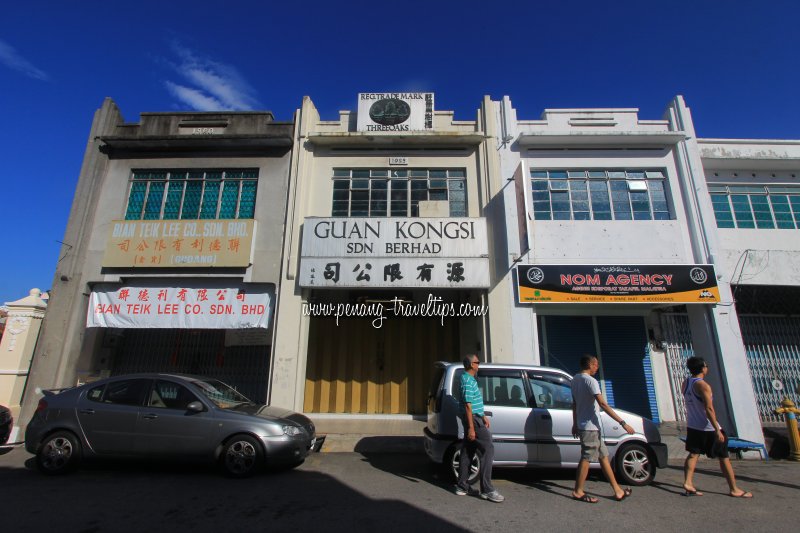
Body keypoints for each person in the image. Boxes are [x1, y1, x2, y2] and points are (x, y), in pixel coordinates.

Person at [682, 356, 753, 498]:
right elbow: (709, 408)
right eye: (706, 365)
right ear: (703, 368)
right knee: (724, 457)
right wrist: (717, 429)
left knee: (693, 454)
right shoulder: (703, 386)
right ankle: (734, 489)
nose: (707, 368)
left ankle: (688, 482)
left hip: (693, 425)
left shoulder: (686, 383)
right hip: (708, 427)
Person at [571, 354, 635, 503]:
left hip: (587, 425)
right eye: (596, 364)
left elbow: (574, 404)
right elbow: (603, 404)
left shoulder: (574, 380)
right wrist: (622, 422)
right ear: (590, 364)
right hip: (590, 428)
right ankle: (578, 491)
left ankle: (617, 490)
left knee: (603, 457)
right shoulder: (591, 381)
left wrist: (574, 423)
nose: (597, 367)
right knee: (587, 457)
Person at [455, 354, 504, 503]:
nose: (479, 364)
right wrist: (471, 427)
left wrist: (483, 415)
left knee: (468, 450)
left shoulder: (469, 379)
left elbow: (474, 402)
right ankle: (487, 489)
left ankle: (462, 486)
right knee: (488, 448)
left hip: (476, 418)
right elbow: (468, 405)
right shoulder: (466, 380)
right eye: (477, 362)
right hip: (473, 420)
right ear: (471, 365)